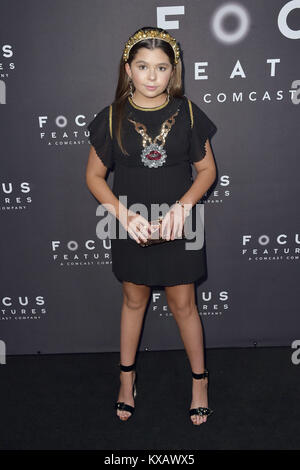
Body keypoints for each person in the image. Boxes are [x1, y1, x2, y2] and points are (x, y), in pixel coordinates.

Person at [85, 27, 217, 425]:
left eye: (161, 67)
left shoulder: (190, 112)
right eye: (143, 66)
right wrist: (123, 215)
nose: (152, 75)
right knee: (133, 301)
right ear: (128, 69)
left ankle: (200, 383)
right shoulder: (110, 117)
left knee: (184, 306)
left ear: (172, 72)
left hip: (181, 225)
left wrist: (183, 208)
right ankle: (127, 381)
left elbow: (207, 170)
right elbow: (93, 177)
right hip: (132, 225)